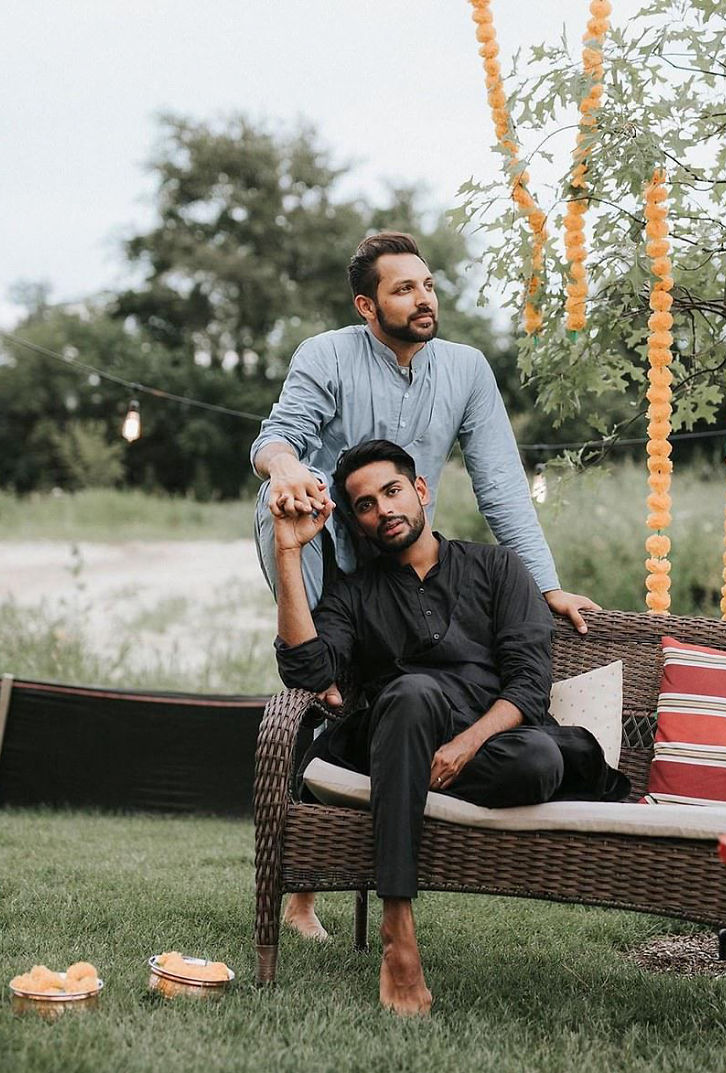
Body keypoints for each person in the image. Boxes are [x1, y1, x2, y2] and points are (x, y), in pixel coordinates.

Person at [251, 230, 600, 940]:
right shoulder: (326, 355)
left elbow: (501, 484)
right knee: (323, 692)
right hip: (327, 549)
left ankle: (371, 826)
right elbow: (276, 435)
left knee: (403, 709)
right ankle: (303, 892)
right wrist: (285, 471)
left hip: (408, 562)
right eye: (403, 288)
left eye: (428, 285)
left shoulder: (467, 369)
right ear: (366, 304)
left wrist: (548, 584)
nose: (423, 298)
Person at [273, 440, 628, 1017]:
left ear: (420, 491)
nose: (383, 510)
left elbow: (529, 686)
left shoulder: (497, 567)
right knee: (411, 693)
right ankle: (399, 932)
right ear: (357, 523)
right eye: (365, 505)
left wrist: (465, 745)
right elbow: (308, 668)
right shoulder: (354, 594)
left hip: (486, 734)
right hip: (397, 722)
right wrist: (288, 552)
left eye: (391, 492)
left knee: (537, 764)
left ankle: (402, 779)